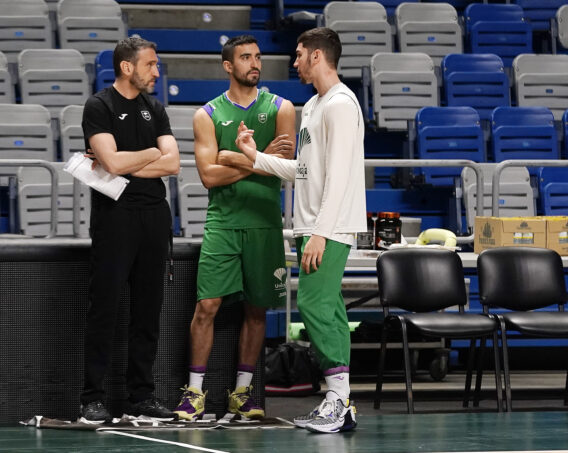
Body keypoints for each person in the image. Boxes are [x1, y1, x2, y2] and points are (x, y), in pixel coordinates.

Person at [234, 27, 366, 434]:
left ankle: (339, 402)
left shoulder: (341, 104)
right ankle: (339, 402)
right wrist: (255, 158)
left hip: (331, 227)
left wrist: (322, 233)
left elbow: (341, 176)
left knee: (314, 308)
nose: (294, 62)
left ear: (317, 56)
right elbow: (304, 171)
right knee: (330, 311)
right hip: (313, 226)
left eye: (299, 54)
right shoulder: (312, 105)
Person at [172, 35, 296, 421]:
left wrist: (234, 156)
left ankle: (242, 393)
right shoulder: (206, 115)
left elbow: (286, 165)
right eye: (245, 57)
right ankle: (194, 392)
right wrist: (256, 158)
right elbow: (208, 176)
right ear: (228, 66)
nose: (254, 63)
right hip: (223, 223)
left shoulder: (283, 108)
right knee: (207, 306)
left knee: (257, 311)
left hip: (264, 222)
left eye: (257, 57)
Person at [79, 37, 180, 423]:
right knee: (104, 309)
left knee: (148, 311)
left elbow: (173, 165)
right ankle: (92, 397)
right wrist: (151, 153)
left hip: (154, 215)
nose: (156, 71)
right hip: (115, 217)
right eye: (151, 65)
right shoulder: (99, 105)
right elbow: (110, 162)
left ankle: (142, 396)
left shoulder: (155, 108)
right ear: (127, 67)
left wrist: (130, 160)